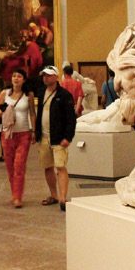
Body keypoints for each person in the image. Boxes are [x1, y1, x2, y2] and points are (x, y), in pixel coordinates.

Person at [34, 64, 76, 211]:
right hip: (44, 137)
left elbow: (71, 118)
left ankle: (63, 198)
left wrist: (68, 137)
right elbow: (39, 114)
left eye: (48, 75)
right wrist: (36, 133)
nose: (45, 78)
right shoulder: (41, 92)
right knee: (47, 167)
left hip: (59, 138)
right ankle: (54, 195)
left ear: (56, 77)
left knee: (60, 167)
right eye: (44, 75)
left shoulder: (64, 95)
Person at [0, 68, 33, 208]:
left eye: (19, 76)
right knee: (10, 166)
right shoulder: (4, 94)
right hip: (7, 134)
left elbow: (32, 113)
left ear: (24, 80)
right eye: (14, 76)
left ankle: (17, 197)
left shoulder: (28, 95)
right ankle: (14, 193)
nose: (16, 78)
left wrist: (34, 131)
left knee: (19, 165)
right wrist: (5, 109)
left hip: (24, 133)